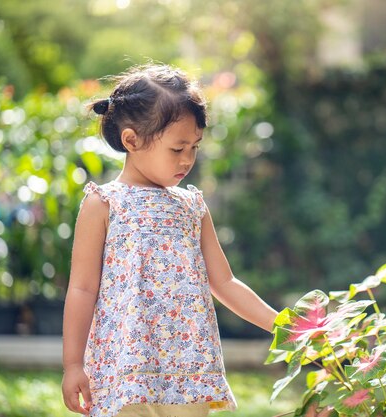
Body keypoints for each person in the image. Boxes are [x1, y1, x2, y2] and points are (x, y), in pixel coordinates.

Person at [61, 64, 279, 417]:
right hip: (124, 367)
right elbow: (82, 289)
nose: (188, 159)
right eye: (177, 148)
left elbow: (223, 281)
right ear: (132, 140)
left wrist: (284, 326)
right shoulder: (103, 203)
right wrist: (73, 364)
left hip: (188, 366)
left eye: (194, 147)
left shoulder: (192, 206)